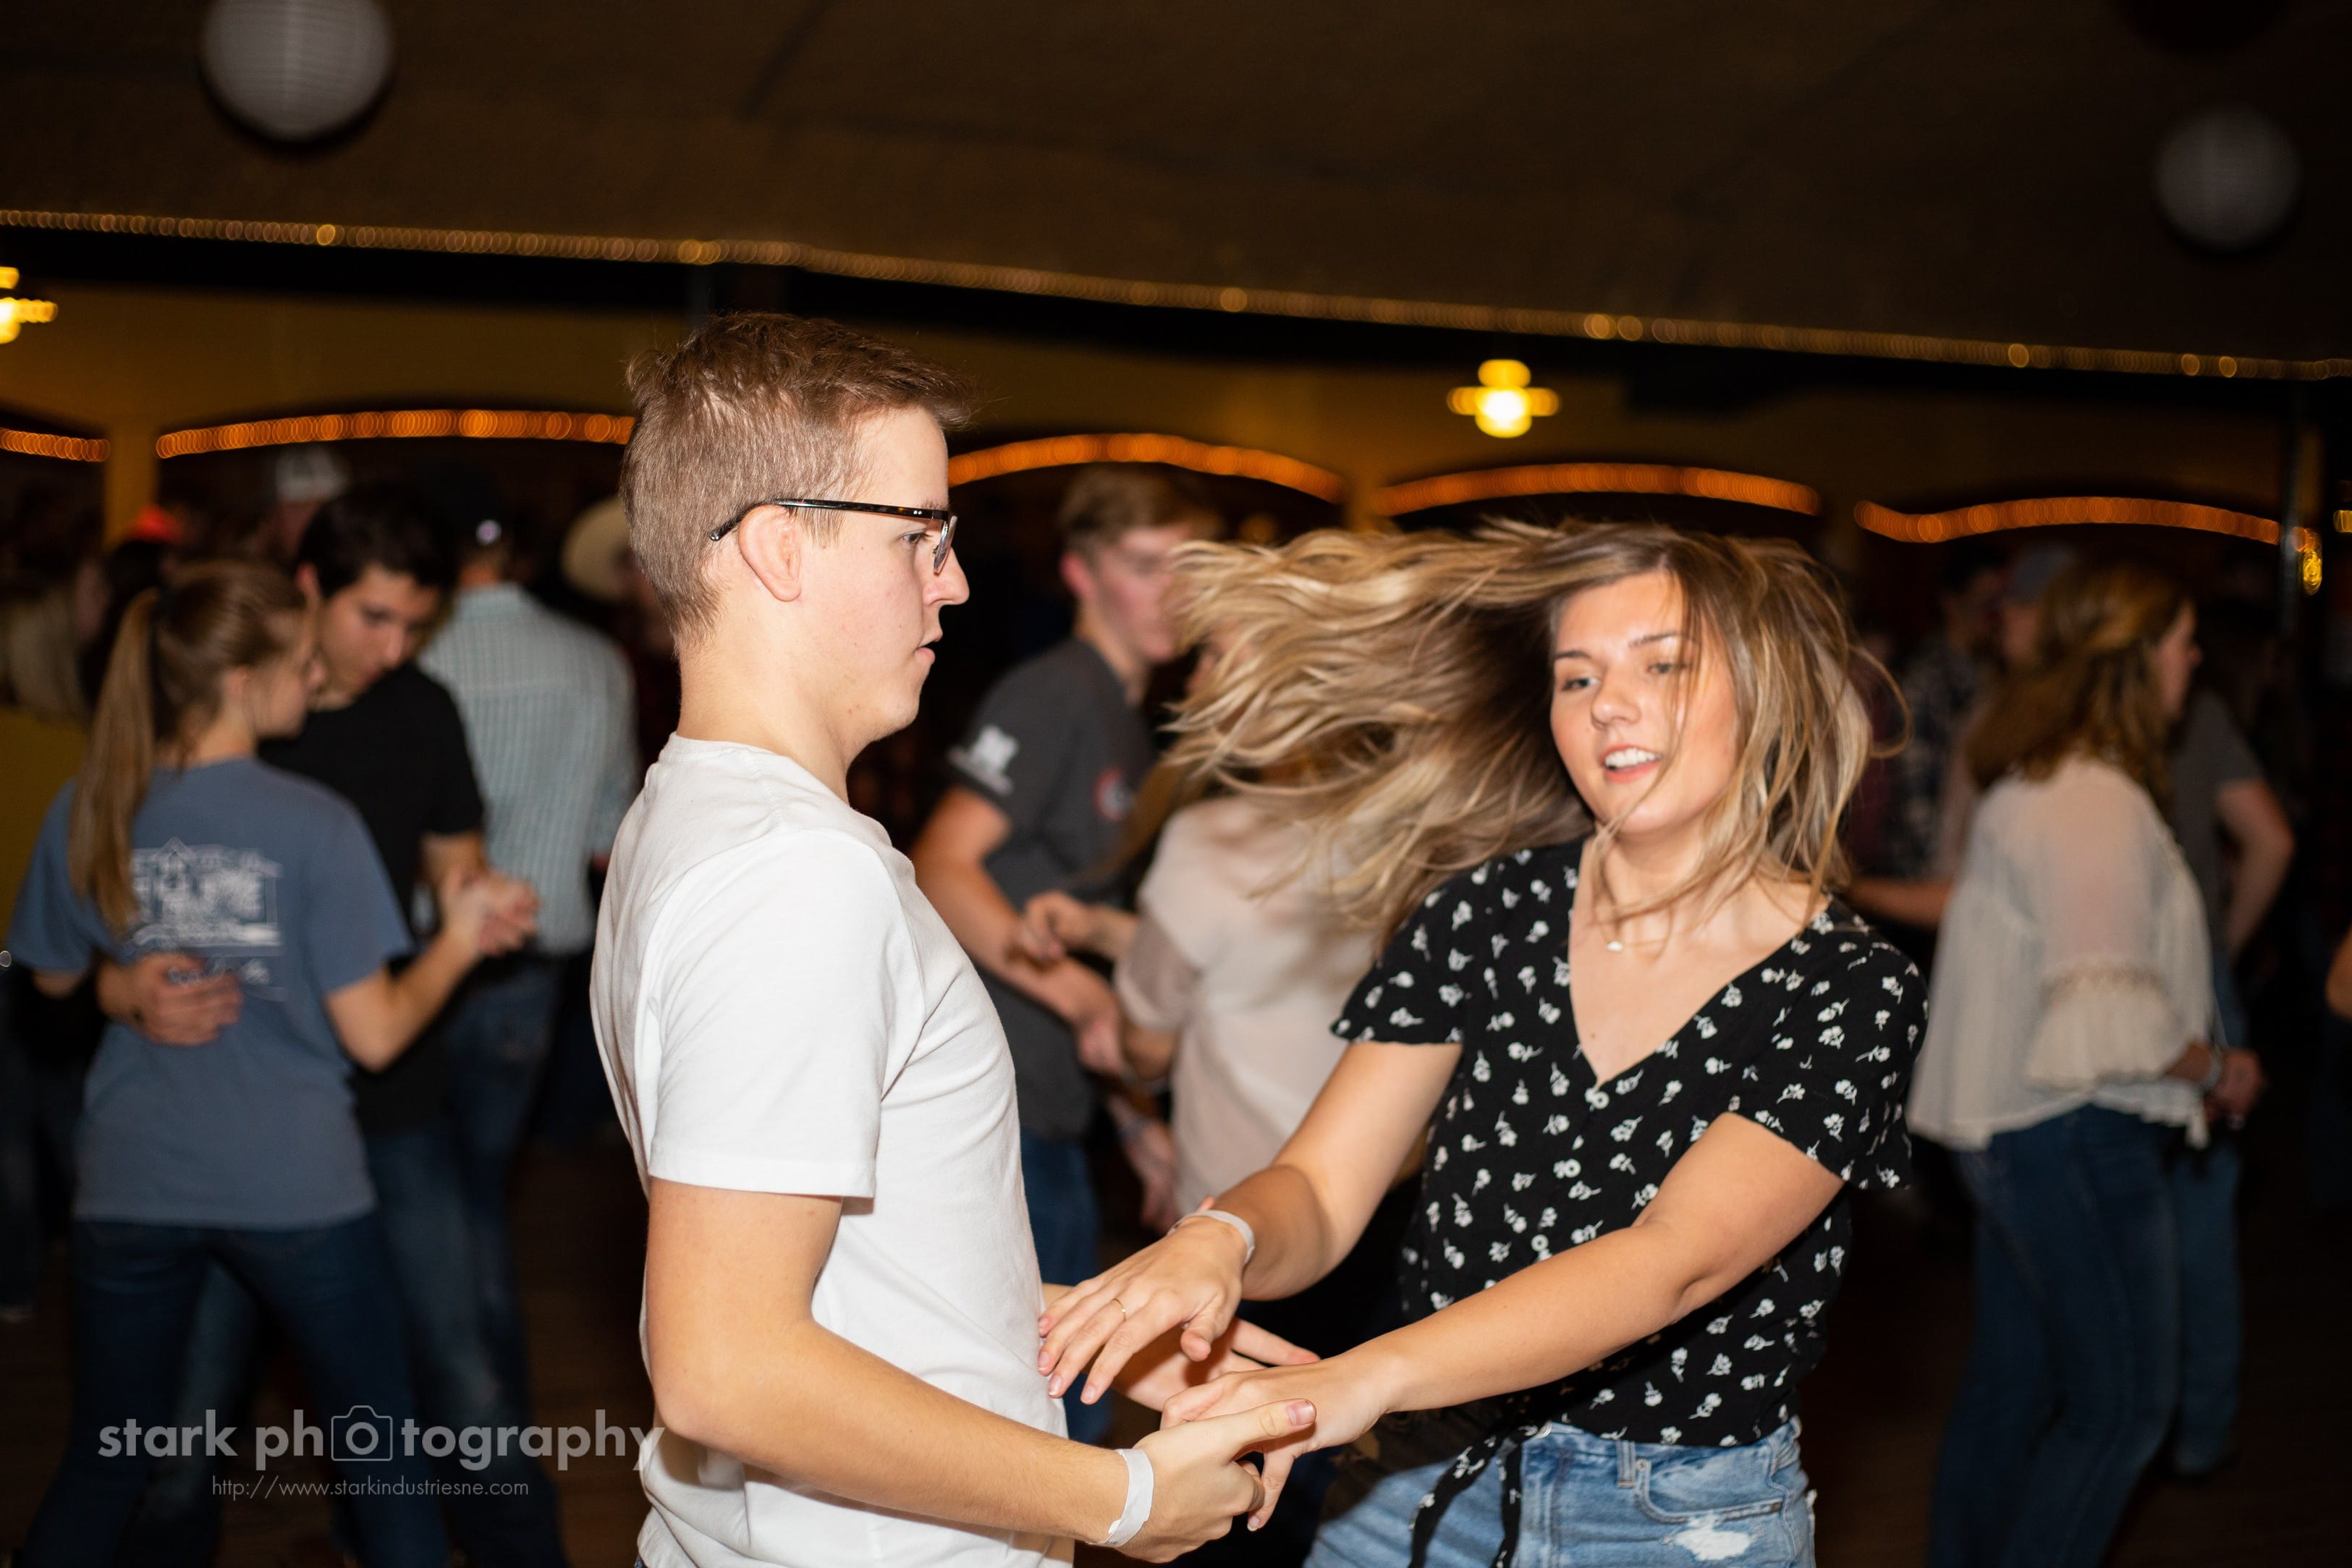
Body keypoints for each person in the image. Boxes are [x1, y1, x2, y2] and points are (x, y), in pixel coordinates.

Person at [1038, 521, 1929, 1568]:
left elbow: (1669, 1263)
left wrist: (1360, 1376)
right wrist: (1221, 1236)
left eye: (1663, 665)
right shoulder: (1486, 912)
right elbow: (1321, 1187)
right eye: (1576, 676)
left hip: (1674, 1516)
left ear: (1763, 691)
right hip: (1416, 1477)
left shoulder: (1847, 985)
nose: (1608, 704)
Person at [592, 312, 1317, 1568]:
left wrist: (1072, 1329)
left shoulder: (691, 810)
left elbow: (828, 1263)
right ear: (777, 547)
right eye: (918, 535)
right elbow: (726, 1367)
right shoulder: (795, 872)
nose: (955, 581)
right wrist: (1119, 1494)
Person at [8, 560, 516, 1566]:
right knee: (382, 1456)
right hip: (296, 1187)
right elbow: (376, 1034)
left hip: (130, 1181)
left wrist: (117, 981)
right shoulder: (312, 823)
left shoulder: (88, 802)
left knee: (109, 1458)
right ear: (243, 682)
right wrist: (460, 940)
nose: (318, 681)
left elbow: (46, 983)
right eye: (303, 664)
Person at [119, 485, 562, 1565]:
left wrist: (483, 902)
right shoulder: (224, 718)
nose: (393, 647)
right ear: (309, 585)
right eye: (374, 617)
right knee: (185, 1420)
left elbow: (455, 866)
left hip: (388, 1090)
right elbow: (104, 911)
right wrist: (122, 990)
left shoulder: (421, 709)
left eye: (416, 624)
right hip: (239, 1106)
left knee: (463, 1377)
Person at [1908, 559, 2264, 1568]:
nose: (2194, 659)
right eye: (2182, 642)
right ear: (2136, 658)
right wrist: (2215, 1069)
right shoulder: (2090, 799)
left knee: (2014, 1386)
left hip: (2019, 1126)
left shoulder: (2040, 779)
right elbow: (2107, 1013)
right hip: (2071, 1133)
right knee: (2122, 1408)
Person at [912, 465, 1220, 1441]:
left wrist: (1132, 1118)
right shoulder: (1054, 691)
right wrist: (1084, 997)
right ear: (1082, 572)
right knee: (1046, 1407)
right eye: (1144, 564)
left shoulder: (1128, 715)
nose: (1171, 591)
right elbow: (941, 864)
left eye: (1188, 566)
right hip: (998, 1100)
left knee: (1062, 1392)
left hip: (1052, 1101)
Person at [417, 471, 639, 1409]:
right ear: (515, 549)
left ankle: (449, 1417)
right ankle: (490, 1417)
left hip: (416, 962)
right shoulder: (593, 660)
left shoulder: (406, 653)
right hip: (532, 967)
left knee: (419, 1194)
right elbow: (607, 831)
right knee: (478, 1192)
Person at [2159, 674, 2292, 1478]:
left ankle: (2125, 1420)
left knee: (2116, 1215)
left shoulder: (2048, 706)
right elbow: (2271, 840)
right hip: (2191, 982)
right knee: (2200, 1222)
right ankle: (2199, 1435)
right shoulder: (2198, 710)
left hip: (2090, 987)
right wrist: (2222, 948)